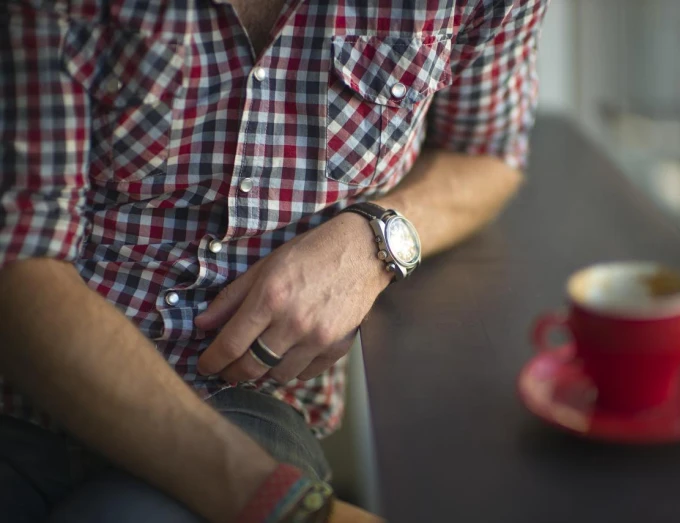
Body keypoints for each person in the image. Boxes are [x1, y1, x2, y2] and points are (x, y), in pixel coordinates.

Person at [0, 0, 549, 521]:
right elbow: (21, 258)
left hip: (243, 401)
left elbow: (485, 153)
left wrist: (375, 237)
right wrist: (281, 506)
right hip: (19, 396)